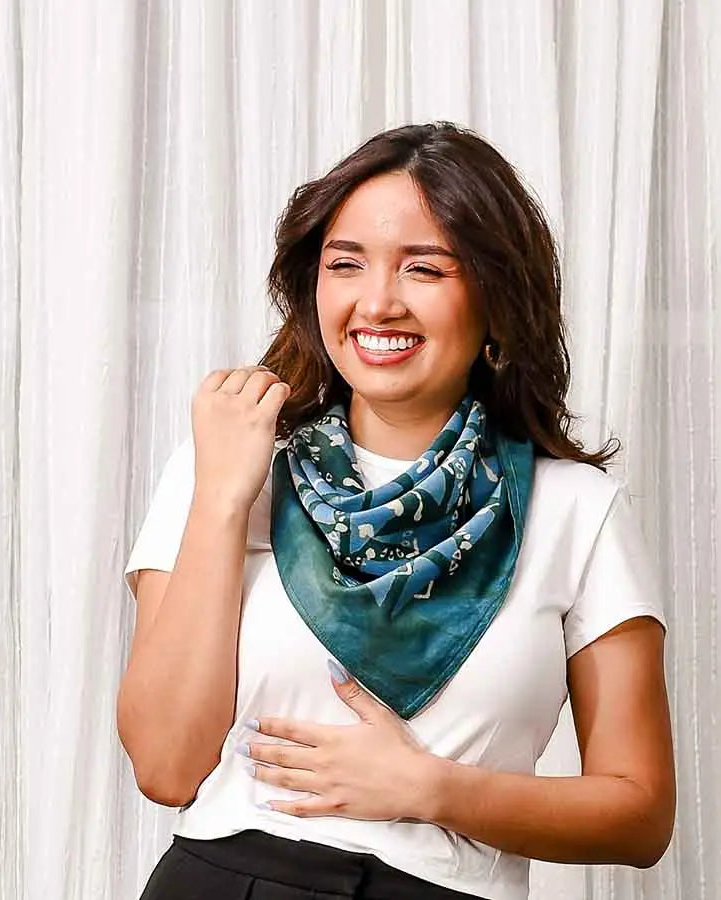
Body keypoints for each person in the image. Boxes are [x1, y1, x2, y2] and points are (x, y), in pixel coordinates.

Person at [117, 121, 675, 900]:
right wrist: (220, 500)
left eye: (425, 268)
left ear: (496, 297)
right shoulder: (223, 466)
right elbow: (165, 765)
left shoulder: (578, 511)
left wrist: (431, 788)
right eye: (346, 264)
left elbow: (640, 816)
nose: (378, 303)